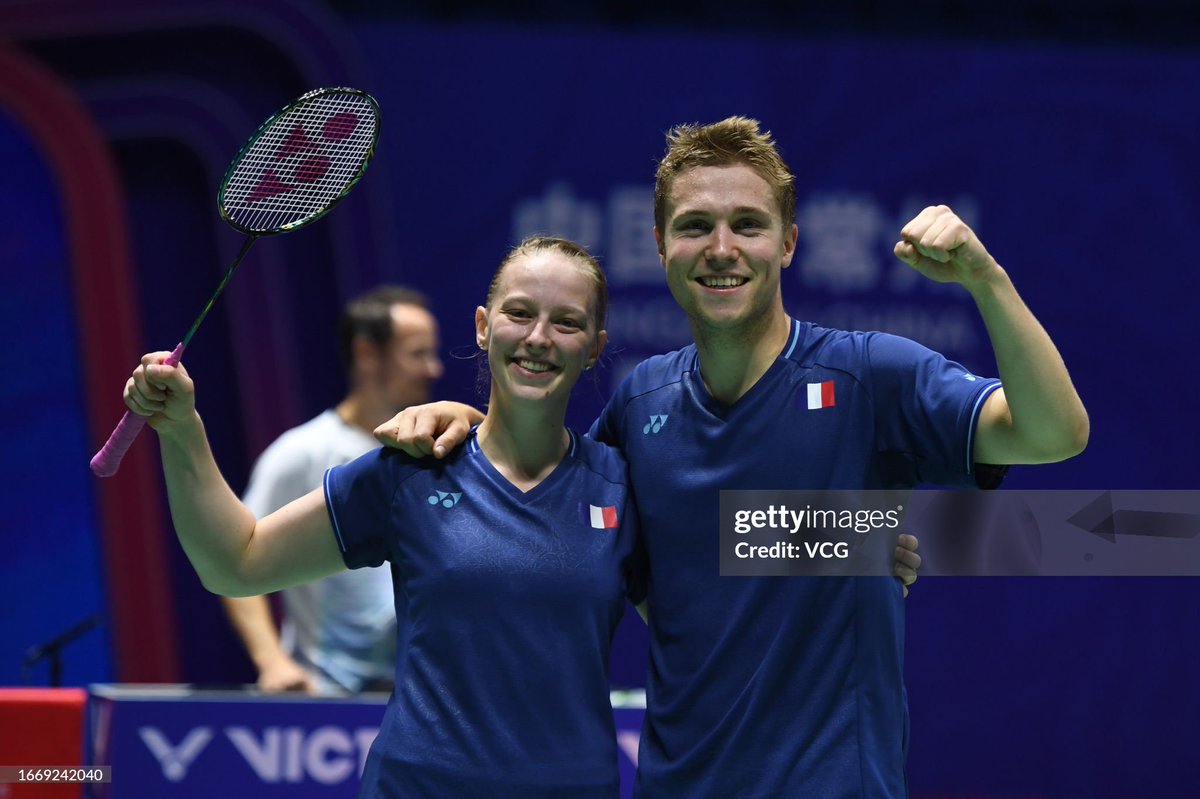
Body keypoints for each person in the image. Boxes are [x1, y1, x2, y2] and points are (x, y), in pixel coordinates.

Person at [376, 117, 1089, 796]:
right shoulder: (641, 403)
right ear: (661, 245)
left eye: (748, 224)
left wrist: (986, 279)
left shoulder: (869, 376)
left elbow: (1053, 434)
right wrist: (472, 424)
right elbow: (587, 526)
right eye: (695, 226)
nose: (722, 248)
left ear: (788, 242)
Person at [123, 236, 645, 797]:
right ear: (482, 326)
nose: (538, 337)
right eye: (519, 313)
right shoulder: (410, 473)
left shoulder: (623, 489)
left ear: (595, 347)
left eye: (566, 322)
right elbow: (236, 562)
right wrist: (182, 430)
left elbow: (703, 638)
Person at [221, 286, 443, 694]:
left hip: (415, 699)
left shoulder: (433, 452)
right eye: (417, 354)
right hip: (326, 698)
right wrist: (272, 663)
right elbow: (233, 556)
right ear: (366, 353)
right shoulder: (303, 452)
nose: (433, 369)